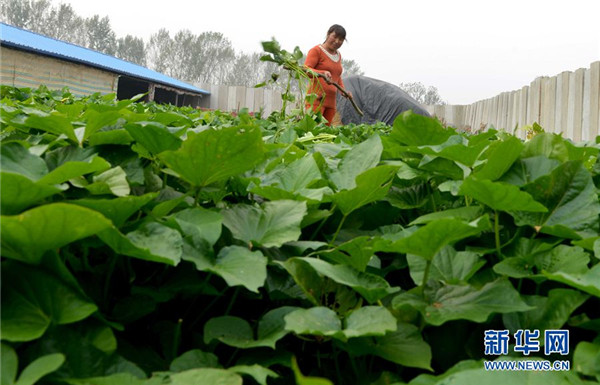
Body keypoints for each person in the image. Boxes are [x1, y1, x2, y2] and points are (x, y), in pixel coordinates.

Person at [304, 24, 352, 126]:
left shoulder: (338, 56)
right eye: (334, 37)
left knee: (325, 133)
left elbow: (337, 77)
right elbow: (306, 70)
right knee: (313, 130)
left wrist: (343, 91)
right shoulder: (317, 50)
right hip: (316, 99)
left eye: (341, 39)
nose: (337, 41)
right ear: (328, 34)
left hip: (331, 102)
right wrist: (322, 73)